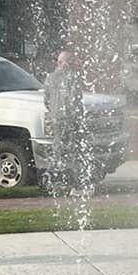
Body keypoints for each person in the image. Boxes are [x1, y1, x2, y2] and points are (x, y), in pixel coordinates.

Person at [43, 49, 84, 189]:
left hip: (56, 118)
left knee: (57, 149)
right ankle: (74, 182)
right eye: (69, 61)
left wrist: (54, 111)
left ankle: (54, 180)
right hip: (68, 119)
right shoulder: (72, 77)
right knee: (73, 149)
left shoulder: (50, 78)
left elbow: (46, 100)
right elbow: (75, 99)